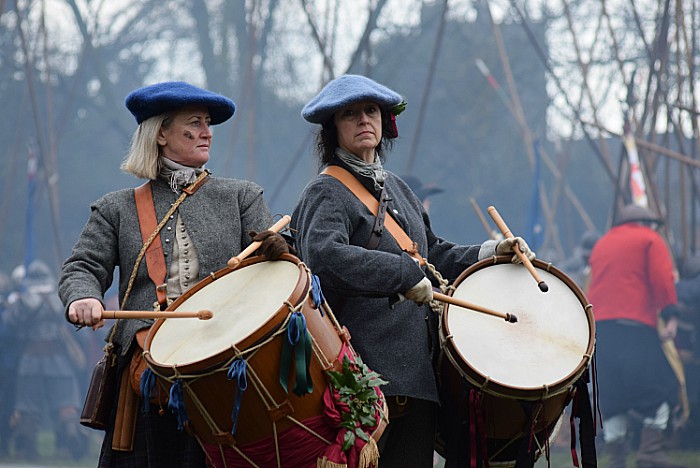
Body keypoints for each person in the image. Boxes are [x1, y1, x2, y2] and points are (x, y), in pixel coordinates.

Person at [290, 74, 535, 468]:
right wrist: (400, 274)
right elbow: (323, 256)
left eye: (371, 111)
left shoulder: (399, 189)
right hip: (358, 374)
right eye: (350, 114)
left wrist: (490, 252)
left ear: (385, 122)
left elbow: (431, 254)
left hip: (417, 375)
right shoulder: (325, 191)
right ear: (332, 128)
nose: (363, 120)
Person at [58, 81, 289, 467]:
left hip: (227, 363)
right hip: (147, 370)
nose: (206, 132)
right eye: (194, 123)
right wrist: (84, 296)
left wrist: (280, 250)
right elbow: (82, 267)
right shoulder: (116, 207)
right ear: (161, 133)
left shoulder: (242, 196)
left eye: (208, 123)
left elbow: (277, 265)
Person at [587, 204, 684, 468]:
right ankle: (650, 452)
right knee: (660, 387)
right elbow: (663, 280)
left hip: (601, 330)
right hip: (636, 327)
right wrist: (671, 315)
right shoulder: (650, 239)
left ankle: (616, 458)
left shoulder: (603, 243)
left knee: (613, 396)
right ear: (645, 223)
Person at [4, 260, 85, 461]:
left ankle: (30, 451)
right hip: (57, 360)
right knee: (64, 403)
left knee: (30, 407)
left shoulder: (25, 299)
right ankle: (68, 444)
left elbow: (9, 323)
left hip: (30, 361)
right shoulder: (58, 297)